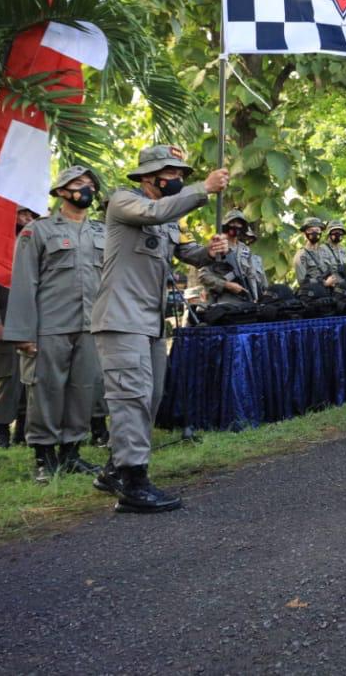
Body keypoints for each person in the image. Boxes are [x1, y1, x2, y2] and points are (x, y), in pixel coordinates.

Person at [91, 144, 229, 513]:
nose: (179, 178)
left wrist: (211, 251)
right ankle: (133, 484)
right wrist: (203, 188)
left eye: (182, 174)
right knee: (131, 397)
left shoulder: (168, 219)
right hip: (121, 319)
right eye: (173, 173)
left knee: (149, 399)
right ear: (150, 176)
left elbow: (187, 252)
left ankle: (113, 470)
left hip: (150, 322)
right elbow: (154, 213)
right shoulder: (125, 201)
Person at [1, 166, 104, 482]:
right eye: (78, 183)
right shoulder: (37, 231)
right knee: (45, 391)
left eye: (90, 184)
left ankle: (72, 453)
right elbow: (24, 282)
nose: (85, 189)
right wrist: (23, 332)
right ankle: (44, 457)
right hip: (49, 327)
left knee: (83, 389)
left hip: (90, 326)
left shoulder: (102, 232)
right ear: (60, 191)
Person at [0, 205, 38, 449]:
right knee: (8, 380)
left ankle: (23, 431)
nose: (28, 219)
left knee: (30, 381)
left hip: (32, 324)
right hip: (5, 323)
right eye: (23, 214)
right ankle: (0, 432)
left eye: (31, 215)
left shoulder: (34, 247)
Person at [200, 209, 267, 304]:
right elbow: (203, 276)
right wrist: (227, 285)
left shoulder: (245, 250)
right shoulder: (217, 246)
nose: (236, 226)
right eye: (232, 223)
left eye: (239, 223)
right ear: (225, 225)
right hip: (223, 300)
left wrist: (256, 297)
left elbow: (252, 275)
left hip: (246, 300)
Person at [293, 217, 342, 289]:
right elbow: (302, 281)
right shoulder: (301, 255)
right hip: (313, 293)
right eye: (310, 230)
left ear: (321, 232)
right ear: (304, 233)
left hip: (330, 292)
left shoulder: (325, 251)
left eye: (317, 230)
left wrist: (335, 280)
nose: (314, 232)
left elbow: (334, 270)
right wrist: (324, 283)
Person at [323, 220, 346, 284]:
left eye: (340, 232)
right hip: (331, 285)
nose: (338, 234)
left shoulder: (343, 250)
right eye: (335, 231)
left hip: (344, 284)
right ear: (329, 233)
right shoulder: (323, 249)